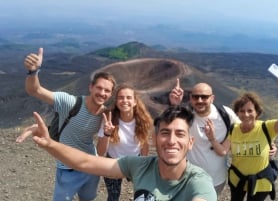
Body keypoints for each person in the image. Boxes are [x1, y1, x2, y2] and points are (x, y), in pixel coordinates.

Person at [19, 105, 217, 201]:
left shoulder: (198, 181)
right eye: (165, 133)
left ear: (190, 142)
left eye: (180, 134)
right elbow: (87, 163)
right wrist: (49, 144)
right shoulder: (141, 166)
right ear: (155, 140)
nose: (172, 141)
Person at [16, 48, 116, 201]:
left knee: (88, 199)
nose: (102, 93)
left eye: (107, 91)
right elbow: (35, 90)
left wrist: (107, 134)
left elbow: (101, 152)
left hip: (91, 167)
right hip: (67, 168)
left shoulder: (105, 116)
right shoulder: (69, 102)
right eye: (99, 88)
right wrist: (33, 72)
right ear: (91, 87)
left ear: (110, 94)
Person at [169, 79, 277, 197]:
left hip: (216, 179)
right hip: (189, 177)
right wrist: (174, 105)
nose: (200, 100)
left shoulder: (225, 114)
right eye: (196, 97)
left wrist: (268, 143)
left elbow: (246, 128)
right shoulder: (185, 114)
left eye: (204, 97)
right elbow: (167, 129)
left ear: (212, 98)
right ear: (190, 98)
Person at [205, 69, 278, 201]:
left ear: (257, 112)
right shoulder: (234, 129)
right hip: (238, 179)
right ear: (237, 113)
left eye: (250, 110)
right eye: (242, 111)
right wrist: (212, 138)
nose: (246, 114)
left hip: (260, 181)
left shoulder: (267, 127)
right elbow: (222, 151)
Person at [97, 84, 153, 201]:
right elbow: (100, 152)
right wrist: (107, 133)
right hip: (113, 162)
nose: (124, 101)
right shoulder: (109, 120)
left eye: (128, 97)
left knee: (143, 194)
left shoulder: (143, 121)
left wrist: (144, 164)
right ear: (116, 101)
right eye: (121, 97)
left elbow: (144, 144)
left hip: (135, 162)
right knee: (113, 197)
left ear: (135, 102)